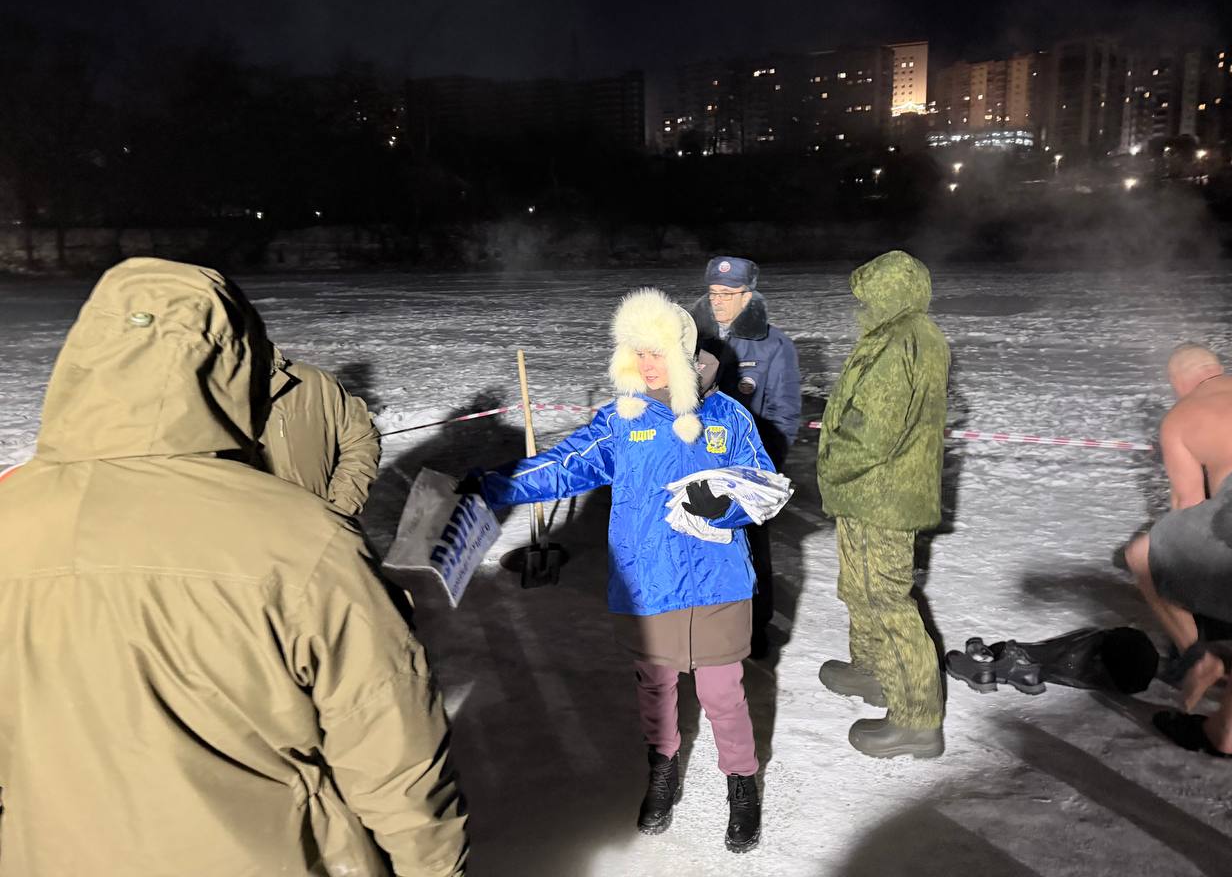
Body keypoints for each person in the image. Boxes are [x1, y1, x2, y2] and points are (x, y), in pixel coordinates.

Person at [0, 258, 468, 876]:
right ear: (234, 367)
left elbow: (358, 438)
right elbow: (394, 758)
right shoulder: (306, 543)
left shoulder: (10, 514)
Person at [466, 288, 775, 853]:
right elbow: (565, 465)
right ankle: (662, 771)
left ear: (682, 352)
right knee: (655, 687)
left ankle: (742, 784)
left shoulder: (728, 415)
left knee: (722, 693)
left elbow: (763, 486)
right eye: (638, 352)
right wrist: (496, 484)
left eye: (657, 351)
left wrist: (725, 508)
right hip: (648, 579)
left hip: (716, 577)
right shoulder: (621, 419)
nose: (647, 364)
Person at [816, 250, 949, 759]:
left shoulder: (899, 341)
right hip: (873, 490)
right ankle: (873, 670)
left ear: (889, 292)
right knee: (860, 588)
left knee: (886, 600)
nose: (862, 306)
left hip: (881, 493)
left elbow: (874, 429)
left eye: (868, 297)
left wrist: (831, 464)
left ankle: (917, 720)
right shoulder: (909, 333)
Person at [1124, 343, 1232, 757]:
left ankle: (1198, 656)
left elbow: (1187, 506)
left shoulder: (1183, 414)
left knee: (1143, 555)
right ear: (1217, 368)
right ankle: (1219, 731)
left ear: (1179, 382)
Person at [692, 256, 801, 659]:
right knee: (698, 545)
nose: (718, 301)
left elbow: (784, 415)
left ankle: (754, 630)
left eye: (728, 293)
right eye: (713, 293)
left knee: (750, 550)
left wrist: (761, 473)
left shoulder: (775, 346)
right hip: (695, 462)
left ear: (748, 295)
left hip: (745, 469)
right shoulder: (692, 338)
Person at [258, 345, 382, 517]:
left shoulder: (318, 383)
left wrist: (342, 505)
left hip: (319, 523)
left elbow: (360, 441)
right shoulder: (218, 400)